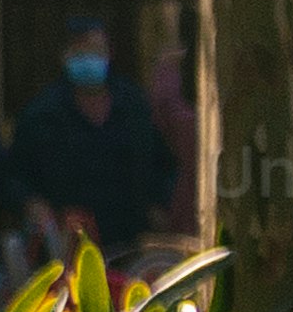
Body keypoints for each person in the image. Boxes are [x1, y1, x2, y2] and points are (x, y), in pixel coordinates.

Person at [11, 21, 182, 275]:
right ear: (65, 56)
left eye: (95, 51)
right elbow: (15, 175)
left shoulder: (133, 105)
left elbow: (163, 164)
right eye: (80, 53)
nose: (88, 60)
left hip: (130, 245)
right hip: (65, 251)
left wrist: (159, 204)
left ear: (109, 53)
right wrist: (32, 204)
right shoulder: (41, 114)